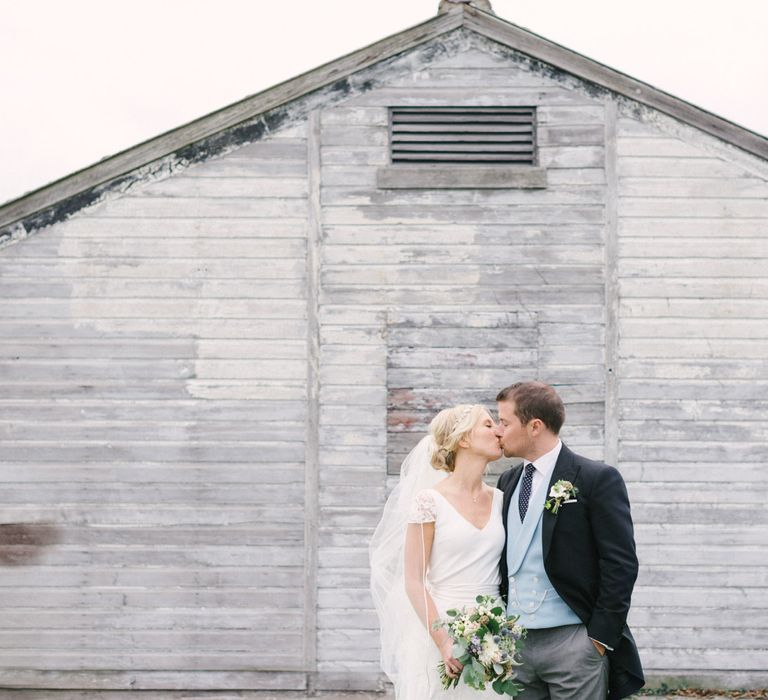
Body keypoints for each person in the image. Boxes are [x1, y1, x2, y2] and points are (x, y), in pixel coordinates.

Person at [494, 381, 644, 699]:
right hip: (515, 644)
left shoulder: (595, 479)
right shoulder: (507, 482)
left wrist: (599, 639)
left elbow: (621, 563)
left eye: (504, 422)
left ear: (535, 426)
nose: (497, 431)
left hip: (575, 644)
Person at [370, 404, 506, 699]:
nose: (499, 430)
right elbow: (414, 581)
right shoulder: (429, 502)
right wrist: (444, 642)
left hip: (497, 636)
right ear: (464, 440)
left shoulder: (501, 501)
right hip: (443, 630)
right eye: (487, 424)